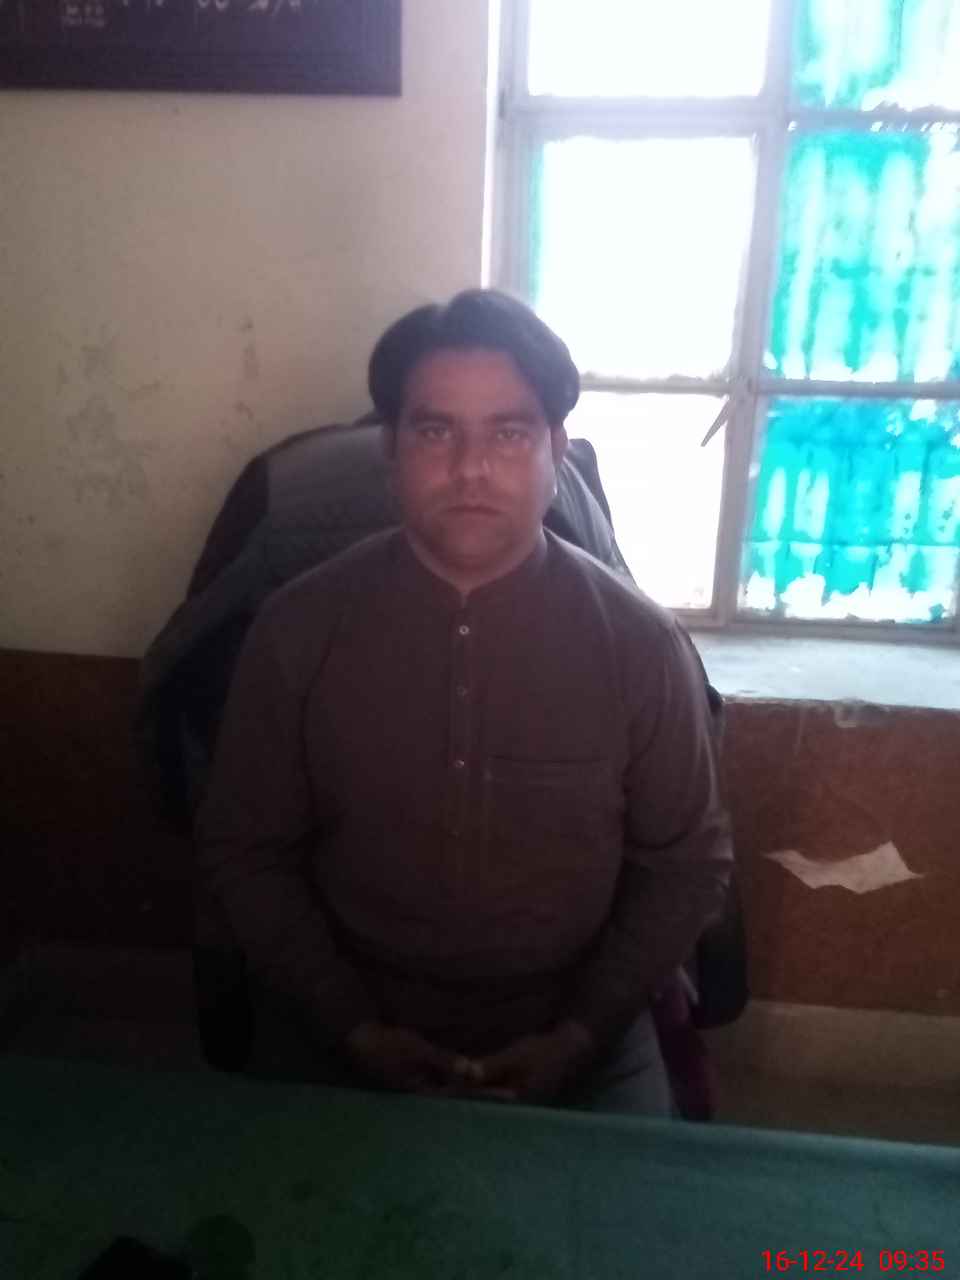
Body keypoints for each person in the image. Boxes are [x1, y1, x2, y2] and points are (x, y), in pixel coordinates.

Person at [194, 289, 732, 1115]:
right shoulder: (296, 629)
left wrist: (580, 1035)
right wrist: (352, 1027)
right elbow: (246, 850)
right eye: (436, 431)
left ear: (557, 451)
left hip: (581, 1031)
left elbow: (687, 866)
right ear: (392, 449)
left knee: (620, 1199)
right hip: (334, 1022)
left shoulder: (640, 644)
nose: (471, 468)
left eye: (509, 433)